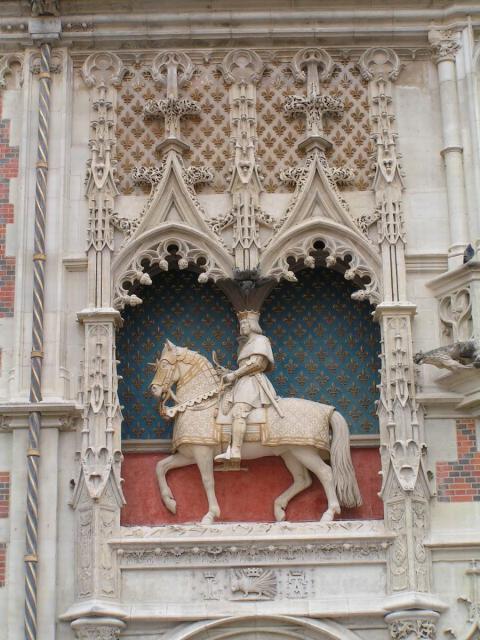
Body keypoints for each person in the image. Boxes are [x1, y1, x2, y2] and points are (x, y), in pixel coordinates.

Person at [215, 310, 278, 463]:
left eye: (245, 323)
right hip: (242, 382)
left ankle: (235, 450)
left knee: (239, 411)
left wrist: (234, 375)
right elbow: (244, 366)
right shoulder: (246, 343)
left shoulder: (261, 340)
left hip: (253, 382)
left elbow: (257, 363)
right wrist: (229, 372)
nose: (242, 326)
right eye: (241, 323)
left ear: (253, 324)